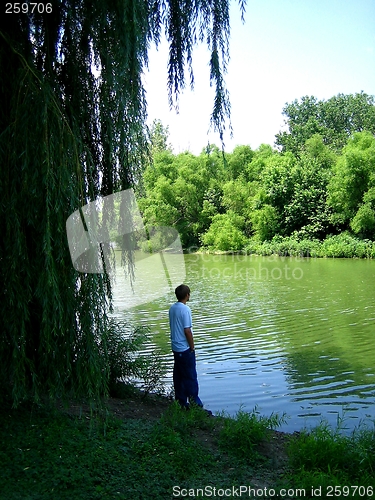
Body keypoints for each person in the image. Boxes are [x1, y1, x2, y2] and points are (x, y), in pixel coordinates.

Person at [168, 284, 203, 409]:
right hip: (184, 348)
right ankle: (196, 405)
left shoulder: (172, 308)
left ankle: (181, 402)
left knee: (179, 376)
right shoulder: (185, 310)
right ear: (187, 295)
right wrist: (192, 348)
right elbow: (187, 330)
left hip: (175, 347)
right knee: (190, 377)